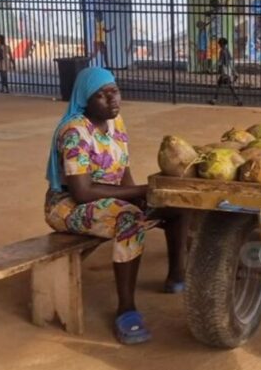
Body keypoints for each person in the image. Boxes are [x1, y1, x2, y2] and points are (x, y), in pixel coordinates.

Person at [44, 67, 187, 345]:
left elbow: (122, 167)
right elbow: (82, 192)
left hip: (109, 197)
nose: (112, 100)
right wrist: (139, 192)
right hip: (67, 206)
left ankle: (177, 276)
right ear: (86, 99)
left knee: (174, 204)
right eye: (101, 95)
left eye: (114, 91)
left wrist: (139, 196)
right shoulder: (75, 133)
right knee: (130, 220)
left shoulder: (115, 122)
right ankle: (126, 309)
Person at [208, 37, 243, 106]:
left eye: (220, 43)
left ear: (222, 44)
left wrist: (211, 68)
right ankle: (214, 100)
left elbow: (220, 62)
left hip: (224, 71)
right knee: (221, 85)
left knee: (229, 86)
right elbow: (230, 62)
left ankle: (238, 100)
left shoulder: (222, 51)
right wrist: (234, 71)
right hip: (228, 70)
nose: (219, 45)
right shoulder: (227, 50)